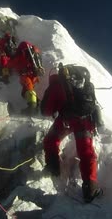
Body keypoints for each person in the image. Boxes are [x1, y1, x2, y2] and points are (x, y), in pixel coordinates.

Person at [40, 63, 103, 203]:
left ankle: (53, 168)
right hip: (85, 121)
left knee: (51, 141)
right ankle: (91, 189)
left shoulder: (55, 84)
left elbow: (46, 110)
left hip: (66, 120)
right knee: (86, 152)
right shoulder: (82, 82)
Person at [7, 41, 45, 115]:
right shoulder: (33, 55)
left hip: (26, 75)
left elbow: (11, 64)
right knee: (25, 91)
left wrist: (7, 64)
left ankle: (32, 108)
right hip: (34, 75)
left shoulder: (21, 55)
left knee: (29, 89)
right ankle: (37, 103)